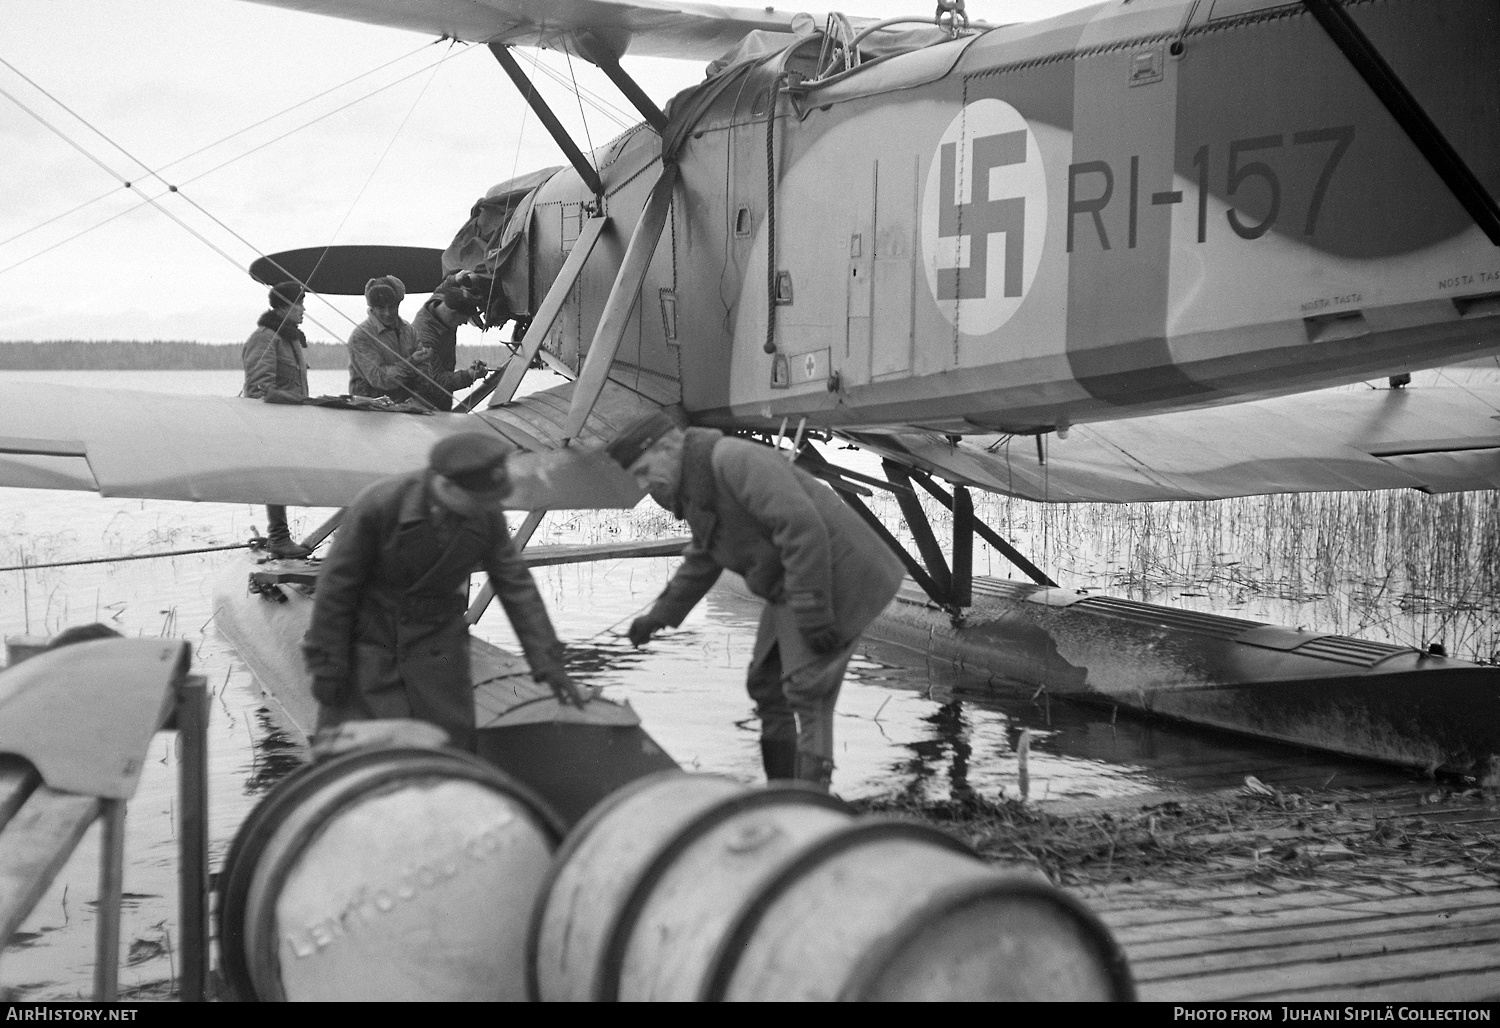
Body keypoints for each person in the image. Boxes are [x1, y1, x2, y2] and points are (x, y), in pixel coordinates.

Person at [608, 410, 905, 789]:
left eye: (643, 470)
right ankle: (780, 791)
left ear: (668, 447)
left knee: (807, 687)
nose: (644, 485)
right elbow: (705, 553)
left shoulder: (732, 460)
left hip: (839, 573)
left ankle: (811, 802)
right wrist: (660, 615)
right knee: (766, 683)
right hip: (794, 582)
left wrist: (814, 612)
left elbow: (802, 529)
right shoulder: (697, 484)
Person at [301, 431, 584, 750]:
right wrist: (327, 665)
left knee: (450, 753)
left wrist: (547, 662)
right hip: (372, 646)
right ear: (446, 486)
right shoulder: (380, 504)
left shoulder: (484, 510)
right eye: (480, 500)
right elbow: (336, 588)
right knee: (361, 757)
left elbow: (514, 583)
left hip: (438, 651)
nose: (490, 508)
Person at [241, 280, 313, 559]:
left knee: (286, 476)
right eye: (299, 304)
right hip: (272, 422)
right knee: (276, 476)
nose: (303, 310)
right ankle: (279, 537)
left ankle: (281, 537)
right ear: (286, 306)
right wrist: (298, 403)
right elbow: (259, 389)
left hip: (291, 420)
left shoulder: (290, 338)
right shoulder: (265, 337)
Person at [408, 275, 485, 411]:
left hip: (443, 397)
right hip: (424, 403)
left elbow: (443, 288)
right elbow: (436, 381)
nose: (464, 323)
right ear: (453, 314)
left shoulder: (440, 301)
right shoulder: (424, 338)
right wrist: (468, 375)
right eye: (463, 320)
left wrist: (456, 278)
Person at [347, 275, 422, 402]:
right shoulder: (360, 336)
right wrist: (412, 363)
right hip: (370, 410)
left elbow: (424, 371)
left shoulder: (409, 331)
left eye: (392, 307)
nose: (387, 313)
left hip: (406, 409)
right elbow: (380, 378)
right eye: (381, 308)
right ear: (372, 307)